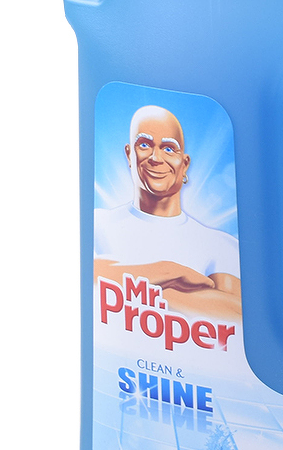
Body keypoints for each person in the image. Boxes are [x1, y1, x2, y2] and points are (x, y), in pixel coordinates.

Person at [93, 105, 241, 322]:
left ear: (185, 164)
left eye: (169, 148)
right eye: (144, 145)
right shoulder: (98, 223)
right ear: (129, 154)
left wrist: (144, 291)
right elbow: (86, 275)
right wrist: (167, 272)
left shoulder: (220, 245)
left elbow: (235, 314)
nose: (156, 158)